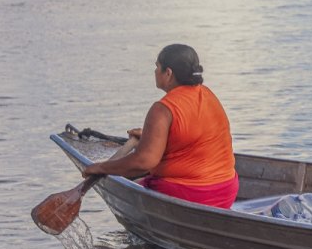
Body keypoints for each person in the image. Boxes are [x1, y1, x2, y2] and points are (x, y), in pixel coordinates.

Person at [82, 44, 239, 208]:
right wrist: (150, 137)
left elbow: (143, 162)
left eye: (157, 67)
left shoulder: (162, 109)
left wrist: (101, 167)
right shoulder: (207, 94)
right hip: (226, 190)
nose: (155, 72)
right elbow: (191, 136)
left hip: (193, 195)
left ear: (168, 73)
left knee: (135, 183)